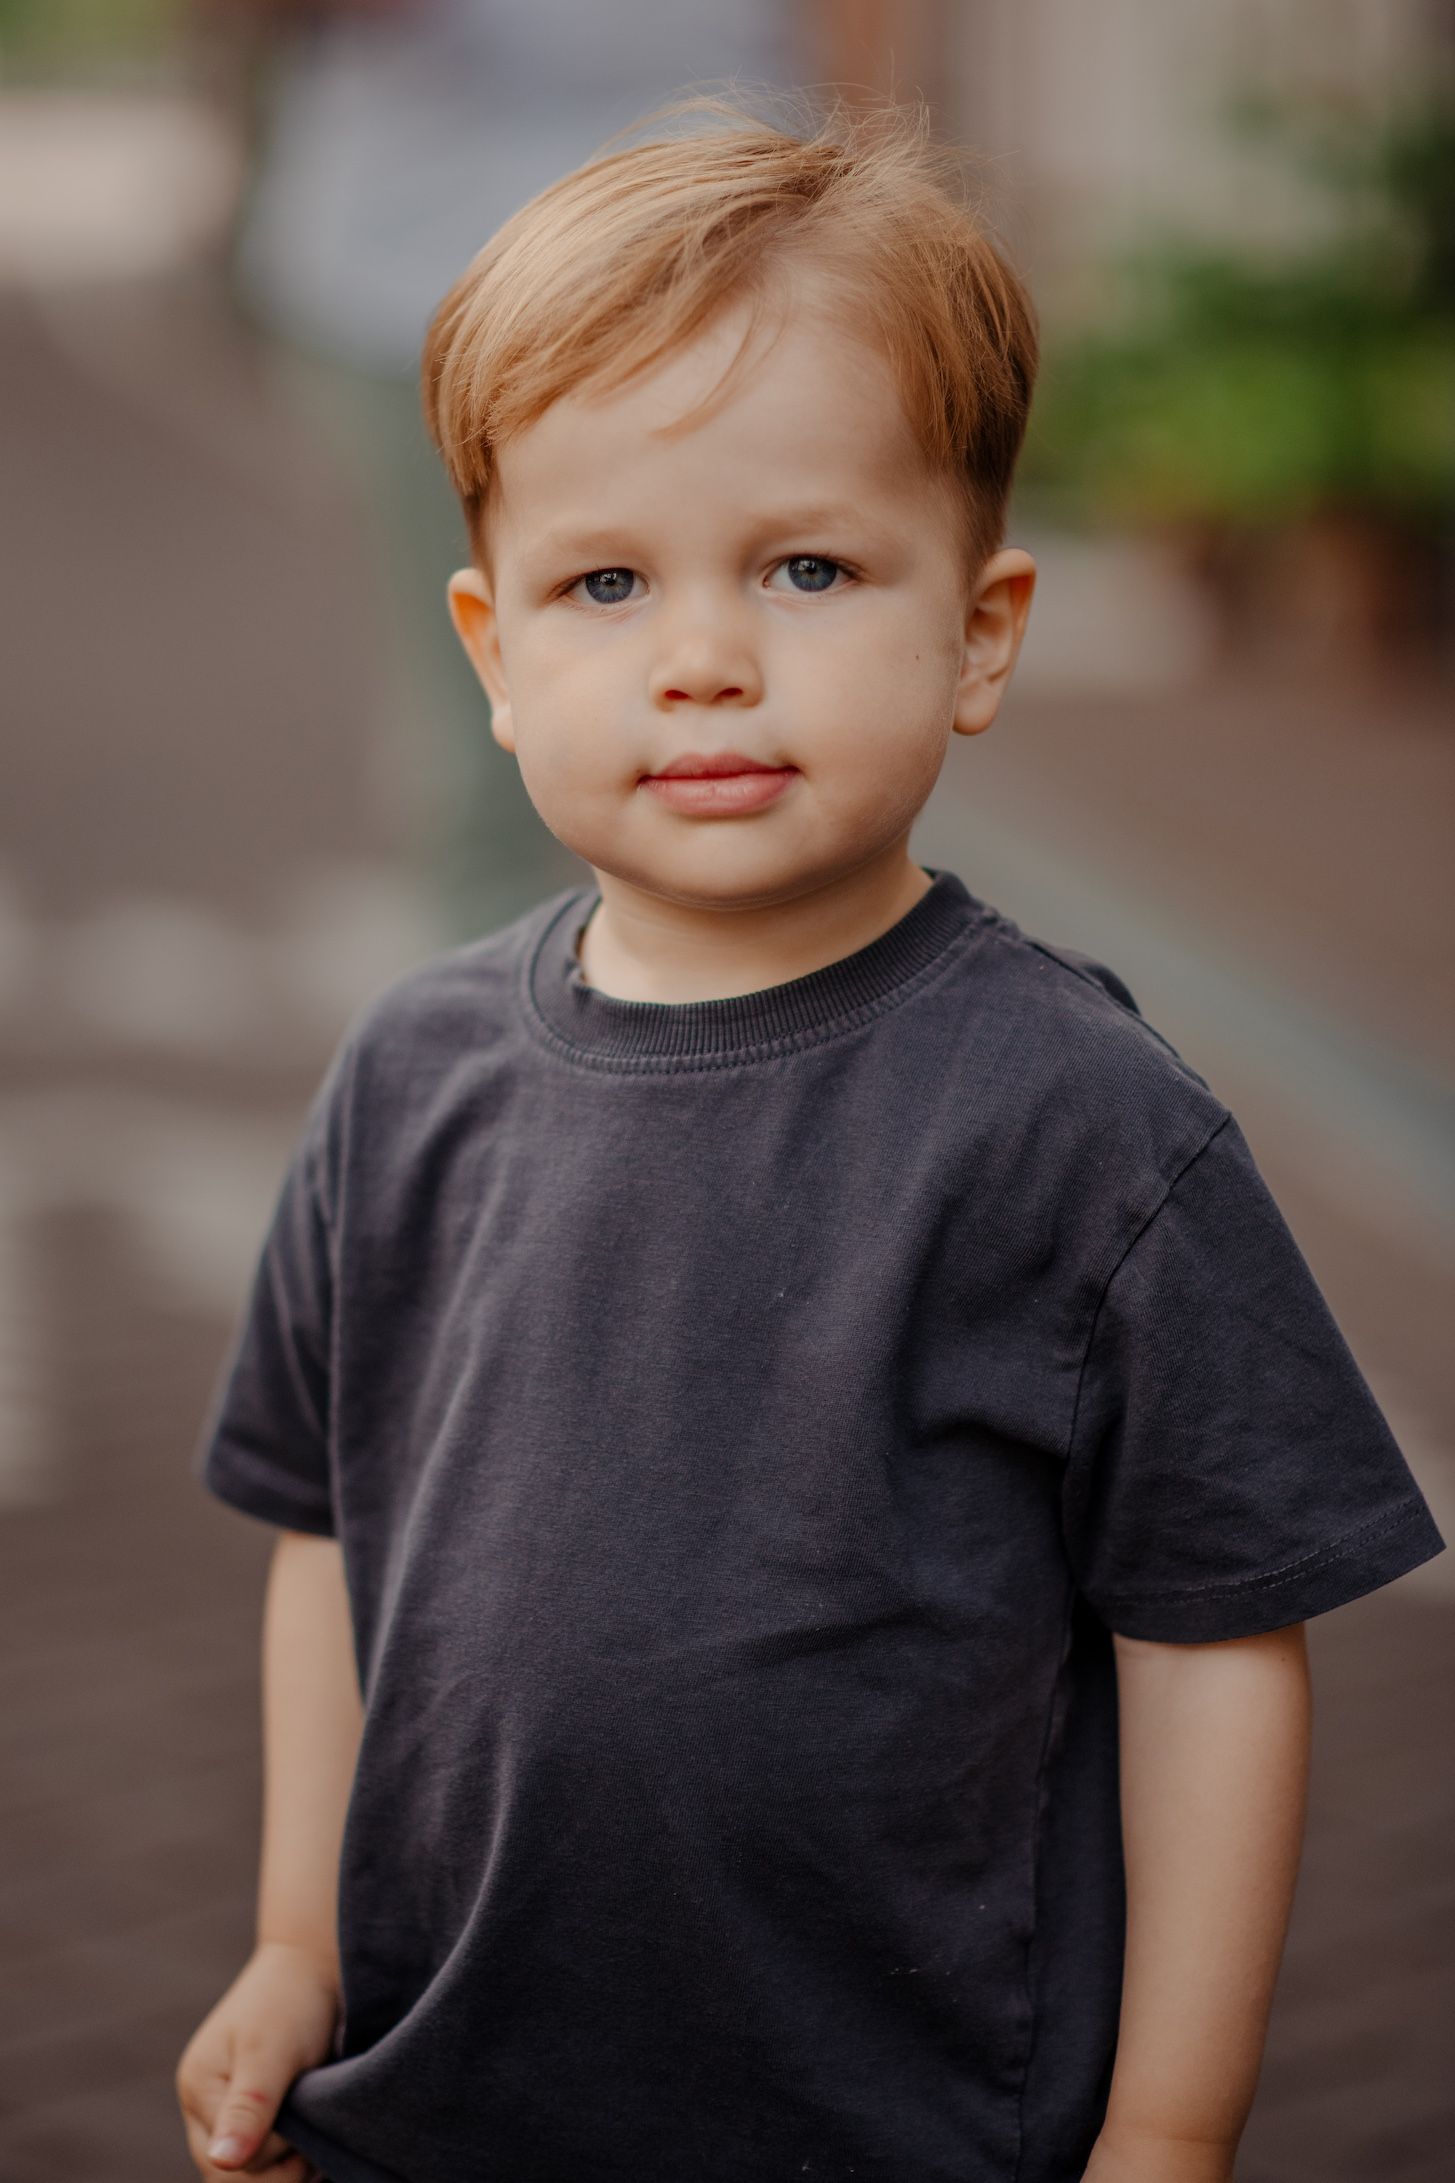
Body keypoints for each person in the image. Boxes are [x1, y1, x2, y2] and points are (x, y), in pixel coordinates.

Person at [176, 90, 1446, 2183]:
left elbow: (1216, 1639)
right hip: (447, 2095)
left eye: (807, 566)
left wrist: (1166, 2124)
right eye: (603, 580)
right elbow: (328, 1532)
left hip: (897, 2118)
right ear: (493, 649)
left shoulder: (1079, 1121)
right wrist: (301, 1940)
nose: (701, 659)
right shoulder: (408, 1075)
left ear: (980, 629)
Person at [221, 0, 936, 944]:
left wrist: (872, 231)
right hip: (419, 275)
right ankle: (497, 1007)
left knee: (771, 674)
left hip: (715, 257)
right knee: (493, 726)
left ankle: (743, 992)